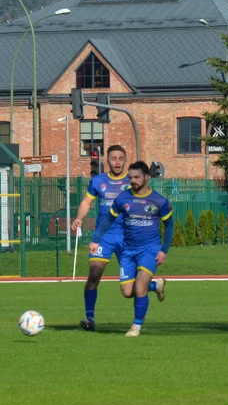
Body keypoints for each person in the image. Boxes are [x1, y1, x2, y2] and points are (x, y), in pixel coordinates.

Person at [90, 161, 173, 337]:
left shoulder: (159, 201)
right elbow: (108, 220)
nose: (132, 181)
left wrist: (164, 250)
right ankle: (156, 285)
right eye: (130, 177)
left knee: (140, 286)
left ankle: (136, 326)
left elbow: (169, 226)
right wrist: (96, 240)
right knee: (127, 292)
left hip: (149, 249)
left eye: (136, 177)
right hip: (128, 250)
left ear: (147, 177)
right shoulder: (122, 198)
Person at [70, 144, 142, 331]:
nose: (117, 162)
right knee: (94, 274)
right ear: (107, 161)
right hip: (104, 236)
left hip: (127, 236)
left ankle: (147, 297)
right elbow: (86, 202)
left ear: (125, 161)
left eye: (120, 158)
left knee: (132, 286)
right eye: (113, 158)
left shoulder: (132, 181)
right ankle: (90, 318)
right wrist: (79, 218)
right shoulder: (98, 181)